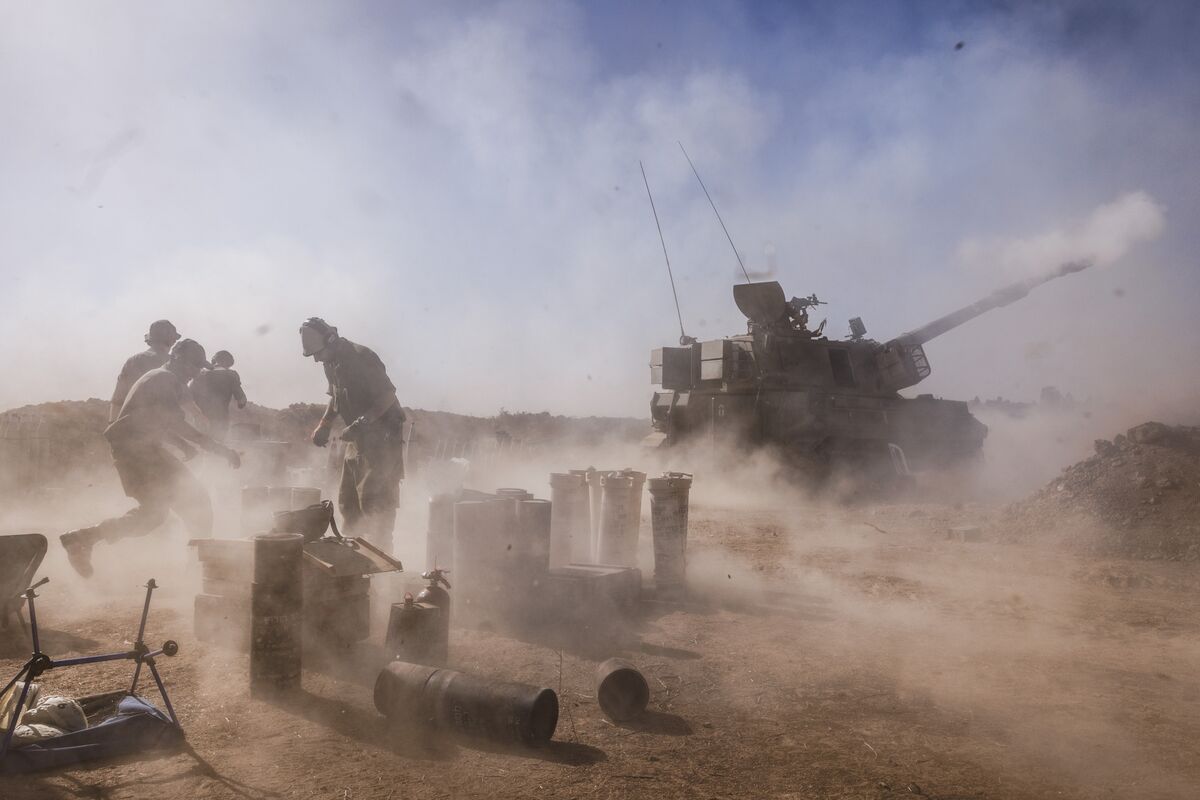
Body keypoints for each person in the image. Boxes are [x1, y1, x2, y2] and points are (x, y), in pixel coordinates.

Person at [60, 339, 241, 578]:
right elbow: (175, 423)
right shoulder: (164, 379)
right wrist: (221, 450)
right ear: (176, 357)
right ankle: (198, 569)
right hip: (138, 451)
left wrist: (182, 446)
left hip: (138, 449)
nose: (196, 371)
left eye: (199, 366)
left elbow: (156, 421)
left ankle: (81, 539)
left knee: (152, 515)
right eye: (193, 365)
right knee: (197, 503)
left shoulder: (162, 378)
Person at [301, 317, 405, 552]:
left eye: (318, 353)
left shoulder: (362, 357)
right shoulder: (331, 363)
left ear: (331, 340)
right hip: (357, 441)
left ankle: (382, 564)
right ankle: (356, 564)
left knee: (376, 503)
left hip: (382, 442)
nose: (316, 359)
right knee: (348, 504)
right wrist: (324, 424)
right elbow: (336, 398)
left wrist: (359, 424)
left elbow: (388, 396)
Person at [110, 319, 181, 422]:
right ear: (171, 341)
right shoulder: (172, 363)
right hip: (162, 427)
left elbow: (118, 398)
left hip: (131, 425)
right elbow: (185, 402)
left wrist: (111, 424)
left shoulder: (132, 361)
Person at [189, 350, 248, 439]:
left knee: (200, 444)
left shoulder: (200, 374)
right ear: (229, 363)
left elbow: (188, 395)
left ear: (214, 360)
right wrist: (241, 404)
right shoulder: (231, 375)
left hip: (200, 417)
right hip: (221, 418)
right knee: (218, 445)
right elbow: (241, 399)